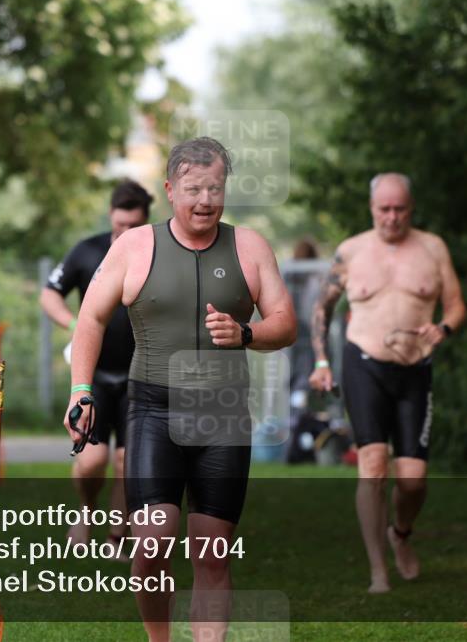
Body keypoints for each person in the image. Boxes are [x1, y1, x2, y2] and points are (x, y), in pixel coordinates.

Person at [64, 137, 296, 642]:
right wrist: (81, 388)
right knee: (152, 544)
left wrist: (247, 333)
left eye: (215, 188)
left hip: (223, 414)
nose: (206, 200)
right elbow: (90, 318)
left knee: (213, 552)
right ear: (170, 190)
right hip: (154, 411)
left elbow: (286, 323)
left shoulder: (250, 246)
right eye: (194, 188)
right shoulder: (134, 246)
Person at [309, 173, 466, 594]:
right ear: (372, 208)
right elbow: (321, 309)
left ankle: (401, 532)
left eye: (400, 209)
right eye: (384, 209)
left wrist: (444, 330)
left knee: (413, 480)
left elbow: (455, 305)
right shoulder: (351, 251)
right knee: (373, 468)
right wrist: (322, 360)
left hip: (415, 370)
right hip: (364, 365)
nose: (392, 217)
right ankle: (378, 570)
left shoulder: (432, 248)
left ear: (411, 209)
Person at [41, 180, 153, 551]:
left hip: (140, 375)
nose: (125, 233)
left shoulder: (157, 256)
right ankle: (86, 510)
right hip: (95, 377)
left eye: (134, 226)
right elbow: (50, 292)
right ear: (111, 217)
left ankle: (117, 537)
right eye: (120, 225)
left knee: (126, 461)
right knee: (92, 462)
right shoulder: (87, 252)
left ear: (146, 221)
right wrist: (74, 325)